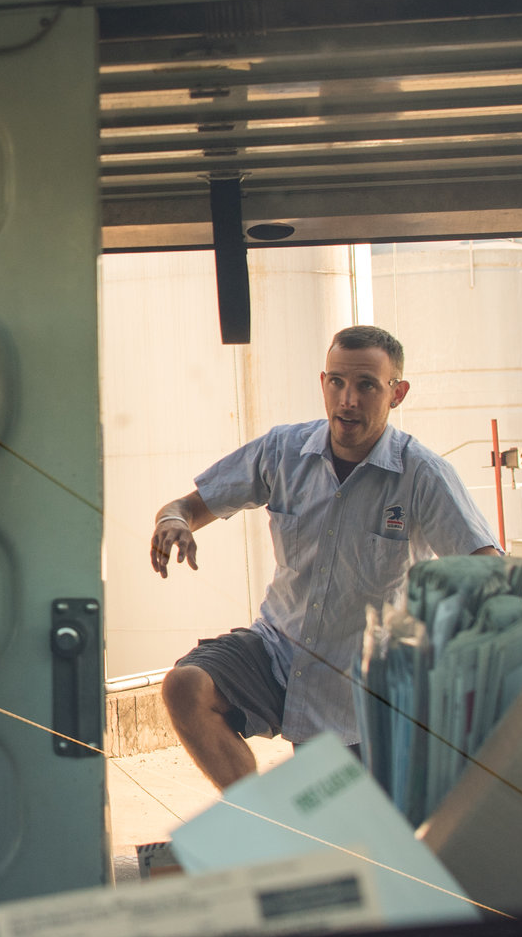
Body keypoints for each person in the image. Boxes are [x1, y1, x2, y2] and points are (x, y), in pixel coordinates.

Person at [149, 324, 499, 789]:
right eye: (337, 381)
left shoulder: (422, 474)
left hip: (362, 688)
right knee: (185, 687)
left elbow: (488, 569)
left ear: (397, 394)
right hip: (278, 650)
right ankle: (263, 823)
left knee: (347, 842)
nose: (347, 399)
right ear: (323, 382)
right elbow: (184, 508)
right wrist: (172, 521)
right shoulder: (283, 451)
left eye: (366, 385)